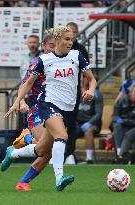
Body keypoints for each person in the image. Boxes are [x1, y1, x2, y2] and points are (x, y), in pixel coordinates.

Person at [3, 25, 97, 192]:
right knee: (61, 137)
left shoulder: (76, 56)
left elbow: (91, 78)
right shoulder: (41, 61)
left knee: (43, 150)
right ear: (49, 44)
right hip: (43, 106)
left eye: (71, 39)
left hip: (66, 108)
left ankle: (15, 152)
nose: (70, 42)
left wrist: (90, 89)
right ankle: (59, 178)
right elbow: (26, 84)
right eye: (66, 39)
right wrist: (19, 102)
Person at [1, 29, 55, 191]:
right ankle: (22, 180)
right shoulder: (37, 63)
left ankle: (24, 142)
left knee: (47, 152)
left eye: (56, 45)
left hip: (55, 110)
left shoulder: (61, 63)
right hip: (37, 109)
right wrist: (21, 102)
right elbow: (25, 84)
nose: (54, 48)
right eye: (51, 45)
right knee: (45, 150)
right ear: (43, 46)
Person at [64, 22, 90, 164]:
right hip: (58, 91)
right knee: (57, 122)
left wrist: (85, 88)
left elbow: (87, 72)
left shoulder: (80, 50)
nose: (71, 35)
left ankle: (69, 153)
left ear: (77, 33)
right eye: (69, 32)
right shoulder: (60, 47)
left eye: (74, 32)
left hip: (74, 91)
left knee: (71, 123)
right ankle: (55, 151)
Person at [76, 77, 103, 164]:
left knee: (88, 131)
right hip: (78, 123)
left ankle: (89, 158)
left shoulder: (97, 94)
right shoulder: (78, 93)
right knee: (66, 130)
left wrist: (89, 123)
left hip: (92, 124)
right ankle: (69, 155)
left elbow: (98, 114)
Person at [112, 84, 135, 161]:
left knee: (128, 134)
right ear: (131, 92)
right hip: (124, 125)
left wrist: (125, 121)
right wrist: (117, 118)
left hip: (132, 126)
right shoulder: (122, 100)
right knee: (116, 127)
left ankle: (120, 156)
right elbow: (115, 115)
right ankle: (119, 153)